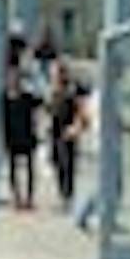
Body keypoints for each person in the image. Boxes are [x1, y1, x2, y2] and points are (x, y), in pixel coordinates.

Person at [0, 34, 43, 212]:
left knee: (30, 168)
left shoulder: (27, 97)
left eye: (16, 79)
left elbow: (41, 103)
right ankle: (16, 198)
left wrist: (33, 77)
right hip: (12, 136)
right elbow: (2, 119)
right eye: (11, 79)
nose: (14, 81)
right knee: (13, 169)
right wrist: (3, 137)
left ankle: (29, 199)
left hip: (27, 135)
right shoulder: (4, 98)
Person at [43, 53, 87, 215]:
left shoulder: (72, 90)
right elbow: (48, 108)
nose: (57, 75)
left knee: (67, 165)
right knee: (56, 163)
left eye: (60, 72)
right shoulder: (53, 90)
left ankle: (68, 198)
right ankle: (62, 196)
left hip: (67, 131)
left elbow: (81, 109)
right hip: (54, 131)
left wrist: (76, 127)